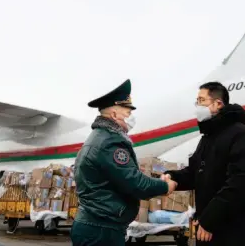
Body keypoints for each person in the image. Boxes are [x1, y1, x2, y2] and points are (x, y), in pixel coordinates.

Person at [71, 79, 177, 246]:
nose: (131, 117)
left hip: (97, 226)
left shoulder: (99, 138)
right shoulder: (110, 142)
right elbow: (136, 183)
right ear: (114, 114)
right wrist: (165, 186)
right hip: (102, 230)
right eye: (128, 113)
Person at [161, 81, 245, 246]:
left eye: (201, 100)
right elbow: (195, 172)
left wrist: (209, 220)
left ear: (218, 104)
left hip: (237, 234)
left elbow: (240, 184)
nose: (197, 106)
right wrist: (173, 177)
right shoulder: (208, 139)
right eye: (197, 101)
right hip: (213, 232)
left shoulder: (240, 135)